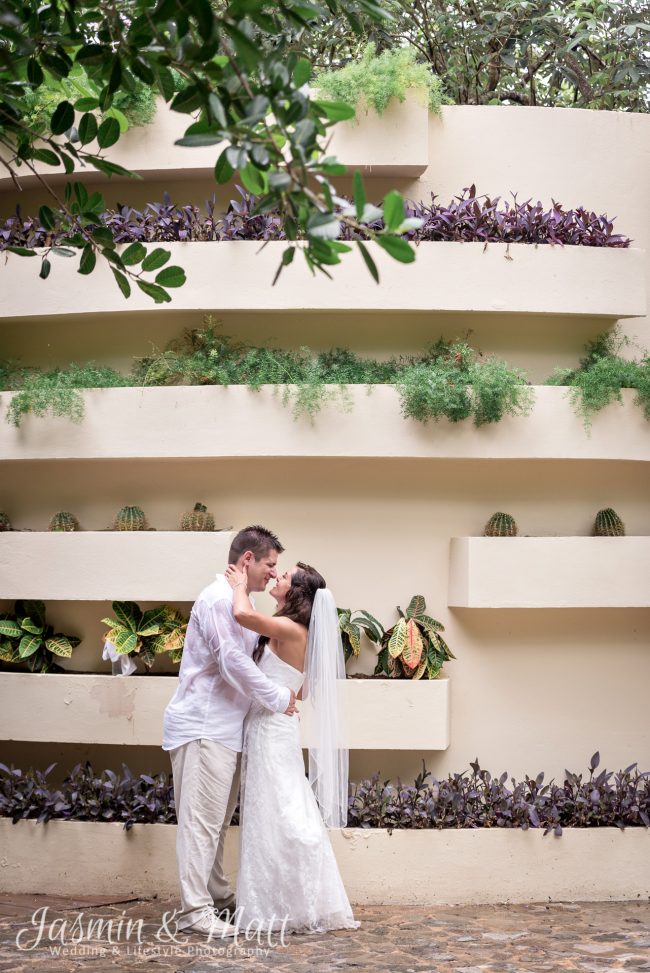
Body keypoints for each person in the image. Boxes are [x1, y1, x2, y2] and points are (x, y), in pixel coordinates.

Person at [161, 526, 298, 939]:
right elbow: (232, 663)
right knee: (201, 823)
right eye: (270, 565)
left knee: (217, 822)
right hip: (203, 726)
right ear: (247, 561)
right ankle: (193, 911)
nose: (274, 575)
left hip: (224, 729)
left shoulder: (239, 602)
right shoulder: (218, 599)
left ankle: (218, 898)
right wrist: (277, 696)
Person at [224, 559, 360, 935]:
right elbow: (300, 690)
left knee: (280, 812)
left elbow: (241, 614)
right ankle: (282, 900)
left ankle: (287, 901)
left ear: (295, 592)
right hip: (272, 727)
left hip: (271, 731)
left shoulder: (290, 628)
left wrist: (238, 583)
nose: (276, 576)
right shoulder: (296, 632)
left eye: (283, 577)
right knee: (276, 809)